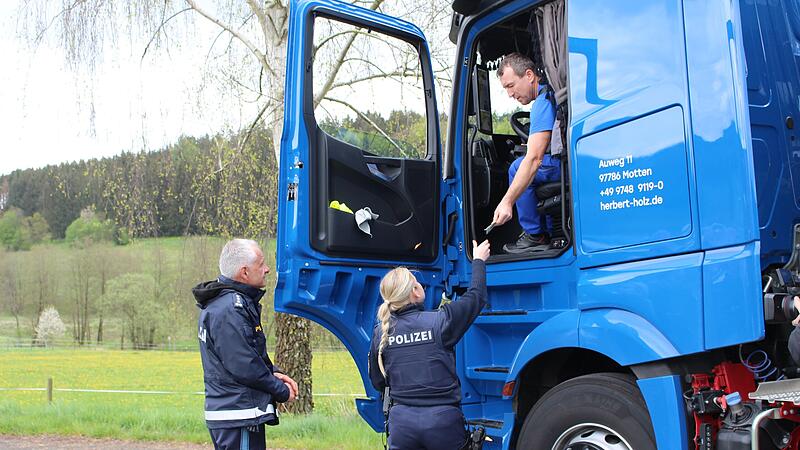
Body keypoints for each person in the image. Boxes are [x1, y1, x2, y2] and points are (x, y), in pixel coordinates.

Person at [368, 239, 491, 450]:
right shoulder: (441, 321)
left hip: (401, 426)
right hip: (442, 424)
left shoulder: (382, 333)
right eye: (418, 284)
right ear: (414, 292)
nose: (422, 286)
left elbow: (378, 382)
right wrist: (478, 260)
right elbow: (476, 297)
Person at [193, 238, 299, 450]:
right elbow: (244, 365)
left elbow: (248, 352)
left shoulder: (227, 304)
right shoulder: (230, 309)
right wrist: (280, 390)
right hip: (238, 414)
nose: (267, 269)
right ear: (244, 272)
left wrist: (274, 372)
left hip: (237, 413)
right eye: (261, 264)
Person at [493, 52, 561, 253]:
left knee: (517, 167)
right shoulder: (550, 94)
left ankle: (535, 235)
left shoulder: (542, 101)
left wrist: (506, 202)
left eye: (511, 86)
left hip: (562, 163)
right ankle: (549, 231)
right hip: (563, 160)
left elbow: (534, 159)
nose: (510, 94)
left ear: (529, 75)